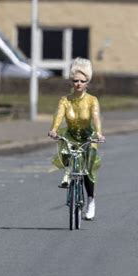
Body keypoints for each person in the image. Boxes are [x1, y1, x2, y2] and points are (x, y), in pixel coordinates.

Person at [48, 57, 105, 221]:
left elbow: (96, 118)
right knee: (63, 149)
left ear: (87, 82)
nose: (78, 83)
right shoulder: (65, 100)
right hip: (71, 135)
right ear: (71, 82)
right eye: (75, 81)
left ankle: (91, 201)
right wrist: (53, 130)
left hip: (89, 136)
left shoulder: (92, 100)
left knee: (88, 169)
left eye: (82, 81)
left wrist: (99, 133)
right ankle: (68, 174)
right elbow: (58, 116)